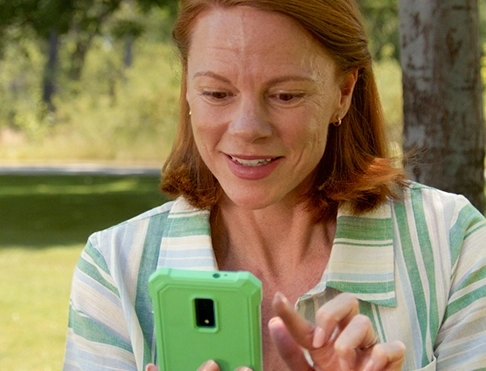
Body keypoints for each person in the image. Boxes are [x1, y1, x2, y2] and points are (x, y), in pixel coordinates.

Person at [63, 0, 486, 370]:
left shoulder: (452, 244)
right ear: (188, 90)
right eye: (216, 93)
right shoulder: (116, 268)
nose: (247, 129)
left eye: (285, 96)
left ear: (343, 91)